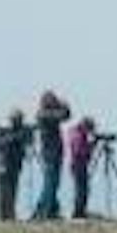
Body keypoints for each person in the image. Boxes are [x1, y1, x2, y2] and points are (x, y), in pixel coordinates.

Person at [0, 107, 34, 222]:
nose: (18, 121)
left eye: (19, 119)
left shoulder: (22, 131)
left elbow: (28, 141)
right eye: (16, 119)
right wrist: (10, 139)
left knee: (12, 190)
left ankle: (9, 215)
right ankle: (5, 216)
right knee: (5, 192)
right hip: (4, 165)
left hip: (15, 165)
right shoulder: (5, 132)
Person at [32, 91, 70, 221]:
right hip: (50, 152)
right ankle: (45, 209)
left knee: (53, 181)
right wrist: (63, 105)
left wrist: (62, 107)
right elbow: (63, 115)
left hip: (54, 151)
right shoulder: (44, 114)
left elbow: (65, 116)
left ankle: (50, 208)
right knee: (50, 181)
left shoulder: (46, 114)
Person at [67, 114, 98, 219]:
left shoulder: (75, 133)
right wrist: (91, 146)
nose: (90, 132)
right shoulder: (78, 135)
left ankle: (80, 210)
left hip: (77, 164)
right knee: (81, 189)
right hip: (79, 164)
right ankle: (79, 211)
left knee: (82, 188)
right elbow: (80, 151)